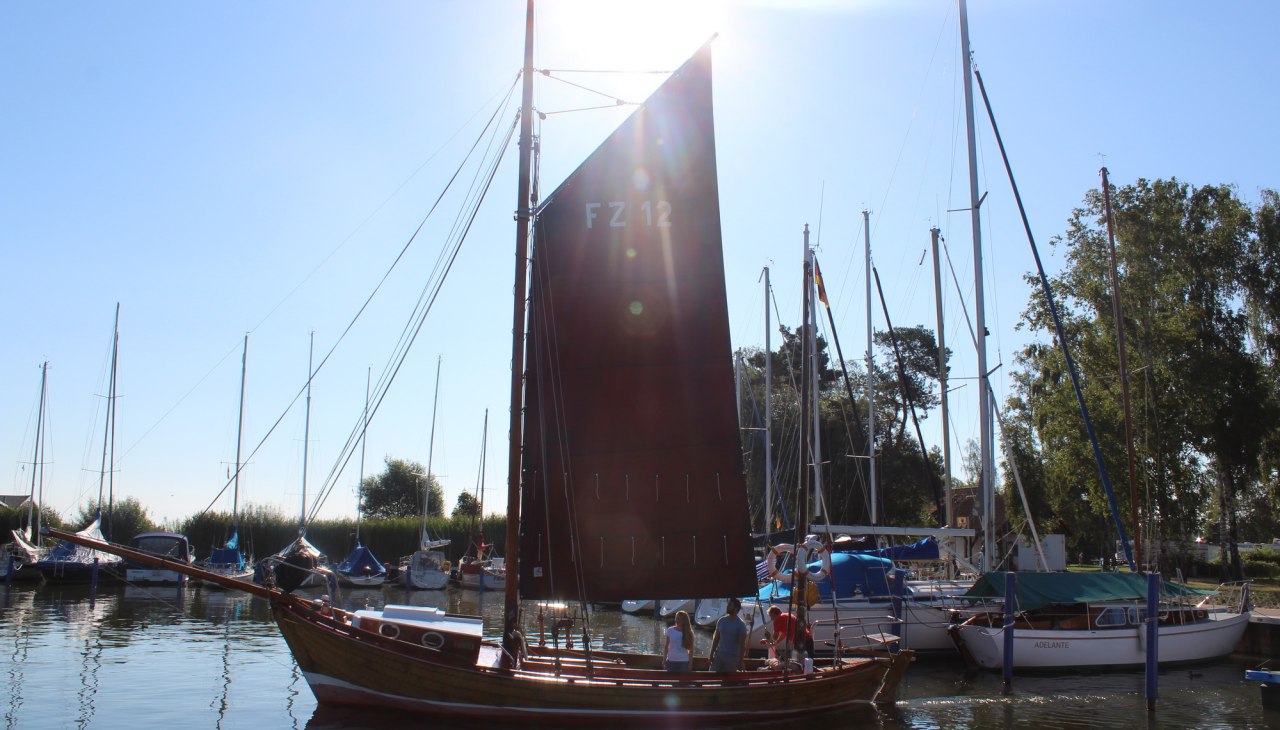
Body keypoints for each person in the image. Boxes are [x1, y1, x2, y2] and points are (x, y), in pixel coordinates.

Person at [708, 597, 748, 673]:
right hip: (718, 655)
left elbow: (742, 645)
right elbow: (715, 639)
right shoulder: (721, 621)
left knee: (728, 681)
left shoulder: (741, 625)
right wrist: (711, 654)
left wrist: (740, 661)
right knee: (711, 676)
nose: (727, 606)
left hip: (732, 658)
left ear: (736, 608)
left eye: (730, 605)